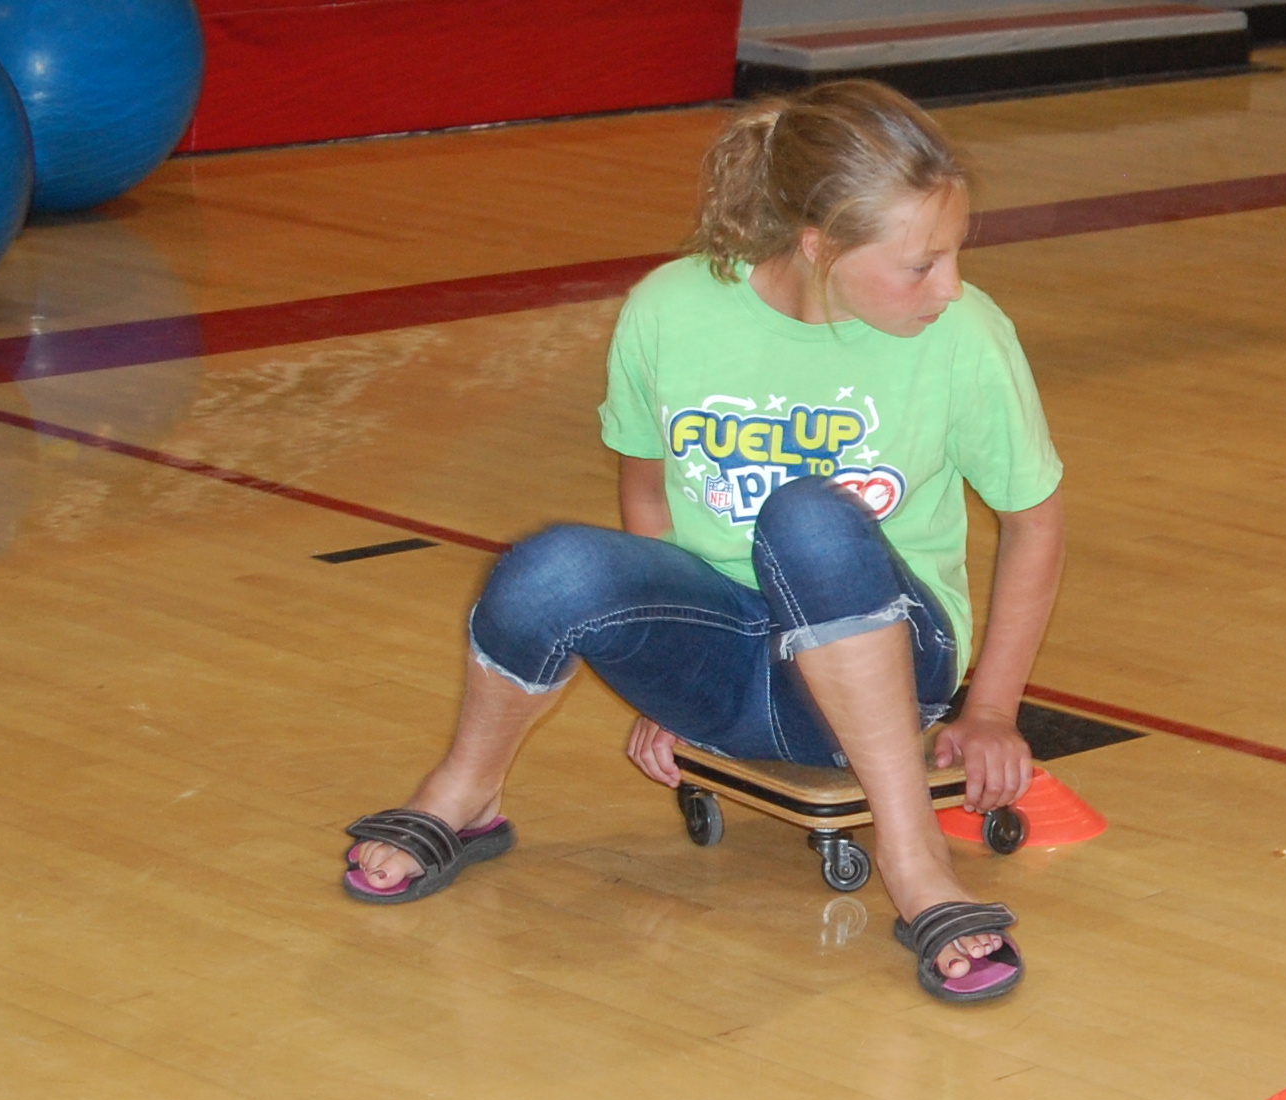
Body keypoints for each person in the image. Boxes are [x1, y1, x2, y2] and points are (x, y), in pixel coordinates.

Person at [343, 81, 1066, 1002]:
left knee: (807, 515)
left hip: (887, 664)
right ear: (819, 247)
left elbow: (1034, 519)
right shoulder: (672, 308)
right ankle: (464, 795)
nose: (950, 285)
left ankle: (914, 856)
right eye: (920, 265)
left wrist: (992, 710)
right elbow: (644, 487)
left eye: (955, 254)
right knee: (548, 567)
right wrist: (666, 679)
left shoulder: (967, 337)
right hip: (728, 663)